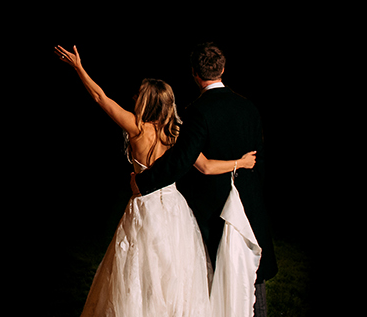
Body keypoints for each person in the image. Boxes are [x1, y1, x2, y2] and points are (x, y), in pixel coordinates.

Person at [55, 45, 256, 317]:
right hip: (174, 210)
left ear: (145, 101)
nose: (134, 96)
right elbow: (206, 167)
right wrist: (239, 163)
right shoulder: (176, 134)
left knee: (138, 269)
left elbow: (100, 98)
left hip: (144, 208)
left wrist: (79, 68)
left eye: (138, 94)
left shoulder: (136, 127)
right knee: (173, 271)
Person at [132, 43, 276, 317]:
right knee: (252, 275)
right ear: (222, 70)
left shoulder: (197, 112)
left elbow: (181, 161)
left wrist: (143, 182)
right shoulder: (249, 108)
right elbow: (261, 163)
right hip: (249, 205)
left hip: (215, 211)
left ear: (195, 75)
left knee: (216, 277)